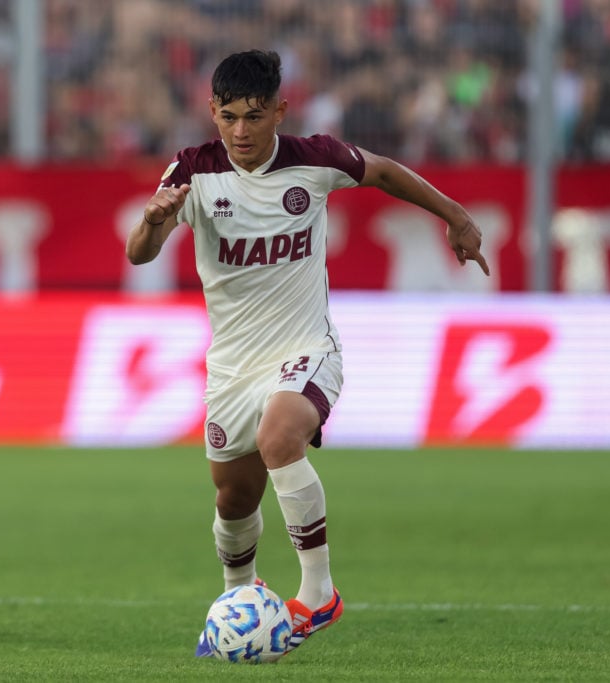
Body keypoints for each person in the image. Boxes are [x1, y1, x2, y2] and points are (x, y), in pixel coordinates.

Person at [126, 49, 489, 657]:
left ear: (279, 111)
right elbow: (141, 253)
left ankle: (319, 592)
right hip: (233, 367)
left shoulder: (314, 160)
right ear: (212, 110)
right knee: (233, 499)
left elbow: (383, 171)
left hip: (306, 348)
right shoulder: (193, 171)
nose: (241, 131)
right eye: (229, 116)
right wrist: (152, 220)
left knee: (279, 436)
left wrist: (453, 215)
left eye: (255, 115)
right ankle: (237, 603)